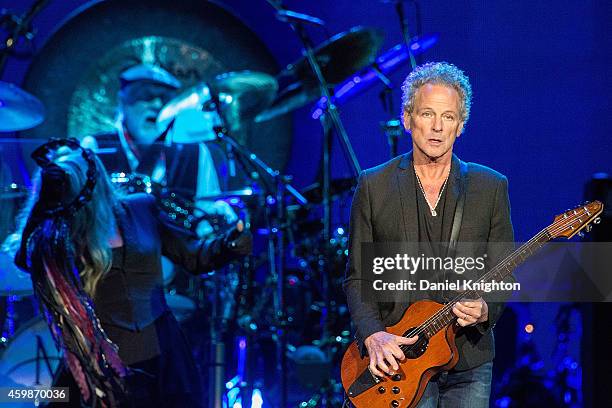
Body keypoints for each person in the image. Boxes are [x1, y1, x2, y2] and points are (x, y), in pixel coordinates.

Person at [10, 138, 252, 407]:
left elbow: (195, 257)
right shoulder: (60, 238)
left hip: (164, 354)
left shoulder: (141, 208)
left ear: (96, 177)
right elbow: (26, 256)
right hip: (101, 364)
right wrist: (45, 204)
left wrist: (230, 243)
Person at [343, 62, 515, 407]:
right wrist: (374, 336)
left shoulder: (491, 186)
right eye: (427, 114)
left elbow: (503, 271)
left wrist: (485, 308)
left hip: (469, 360)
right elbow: (358, 278)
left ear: (461, 126)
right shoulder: (374, 185)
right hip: (401, 358)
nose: (437, 127)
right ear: (408, 119)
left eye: (448, 117)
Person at [81, 64, 235, 237]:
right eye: (145, 96)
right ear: (122, 102)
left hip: (179, 260)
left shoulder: (196, 152)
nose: (156, 104)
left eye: (165, 98)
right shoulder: (94, 148)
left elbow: (207, 214)